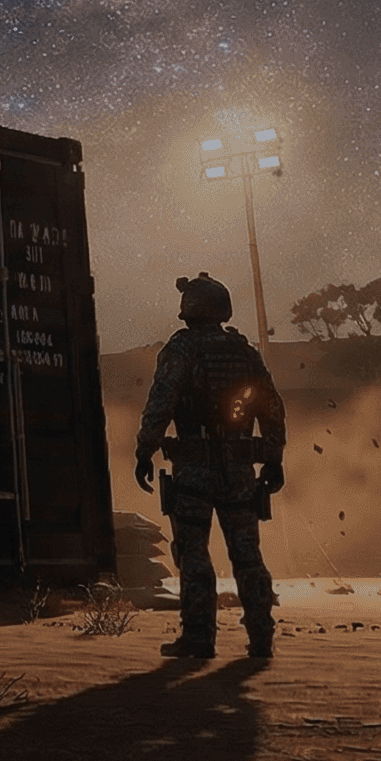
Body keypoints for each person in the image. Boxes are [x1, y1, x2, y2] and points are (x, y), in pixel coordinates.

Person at [133, 272, 287, 658]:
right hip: (239, 470)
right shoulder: (245, 352)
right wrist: (273, 458)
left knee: (193, 551)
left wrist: (144, 450)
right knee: (248, 554)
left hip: (194, 470)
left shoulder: (181, 351)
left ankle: (199, 638)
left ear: (190, 310)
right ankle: (261, 637)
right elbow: (271, 408)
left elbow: (160, 404)